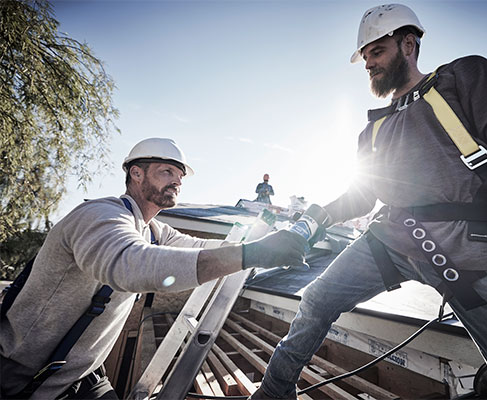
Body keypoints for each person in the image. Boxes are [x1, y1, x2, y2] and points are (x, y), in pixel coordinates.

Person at [251, 4, 487, 399]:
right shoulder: (373, 129)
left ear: (408, 44)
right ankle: (272, 392)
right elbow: (361, 194)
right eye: (366, 57)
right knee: (317, 299)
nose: (369, 64)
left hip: (473, 250)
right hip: (391, 240)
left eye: (377, 52)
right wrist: (312, 220)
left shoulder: (465, 76)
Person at [0, 138, 308, 399]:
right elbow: (131, 266)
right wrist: (252, 254)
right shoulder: (99, 216)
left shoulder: (153, 230)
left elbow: (200, 249)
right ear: (136, 173)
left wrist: (265, 243)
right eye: (167, 172)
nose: (176, 181)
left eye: (180, 176)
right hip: (24, 376)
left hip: (84, 373)